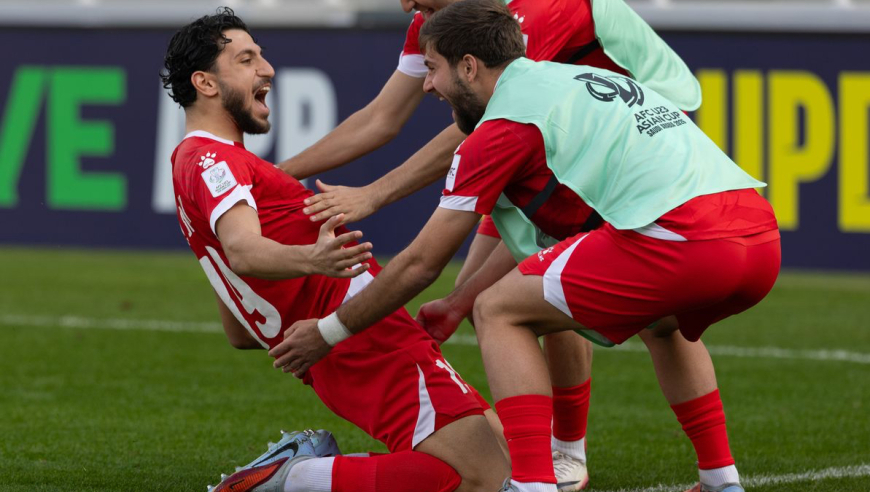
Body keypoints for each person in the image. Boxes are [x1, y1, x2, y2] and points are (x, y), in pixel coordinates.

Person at [269, 2, 781, 492]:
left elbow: (422, 262)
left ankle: (534, 481)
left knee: (499, 311)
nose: (428, 86)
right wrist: (455, 303)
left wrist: (329, 332)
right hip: (757, 237)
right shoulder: (570, 77)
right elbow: (542, 241)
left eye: (433, 69)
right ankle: (720, 479)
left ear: (469, 66)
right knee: (661, 325)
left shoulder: (502, 127)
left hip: (679, 240)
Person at [161, 8, 510, 492]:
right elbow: (243, 252)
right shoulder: (213, 158)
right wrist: (315, 260)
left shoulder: (199, 165)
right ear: (206, 83)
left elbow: (240, 330)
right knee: (486, 478)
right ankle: (295, 478)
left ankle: (302, 475)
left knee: (506, 454)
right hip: (362, 334)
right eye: (246, 59)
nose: (267, 69)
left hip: (347, 344)